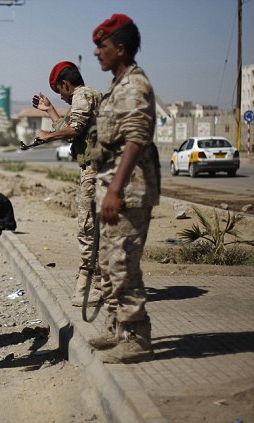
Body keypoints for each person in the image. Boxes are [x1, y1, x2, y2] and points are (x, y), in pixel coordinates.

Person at [88, 14, 160, 364]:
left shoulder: (133, 86)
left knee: (123, 265)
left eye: (102, 46)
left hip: (129, 191)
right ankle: (117, 327)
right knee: (108, 262)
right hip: (115, 188)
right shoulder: (118, 85)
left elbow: (134, 139)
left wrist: (115, 191)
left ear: (120, 48)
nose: (97, 52)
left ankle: (137, 336)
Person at [32, 61, 103, 307]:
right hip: (97, 170)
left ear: (66, 84)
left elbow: (75, 129)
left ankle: (96, 284)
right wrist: (50, 111)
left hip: (96, 171)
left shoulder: (82, 95)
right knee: (94, 228)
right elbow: (73, 126)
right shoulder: (89, 97)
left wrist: (48, 136)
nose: (62, 98)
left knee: (88, 228)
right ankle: (95, 280)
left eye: (60, 93)